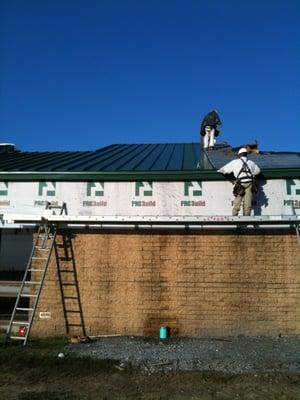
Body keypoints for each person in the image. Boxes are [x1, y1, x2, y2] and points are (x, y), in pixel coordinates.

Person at [217, 147, 261, 216]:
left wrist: (220, 171)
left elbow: (224, 170)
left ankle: (235, 216)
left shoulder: (235, 162)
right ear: (246, 154)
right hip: (249, 183)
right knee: (248, 202)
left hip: (240, 183)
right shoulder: (251, 162)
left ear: (239, 155)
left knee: (237, 200)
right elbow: (258, 171)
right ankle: (247, 217)